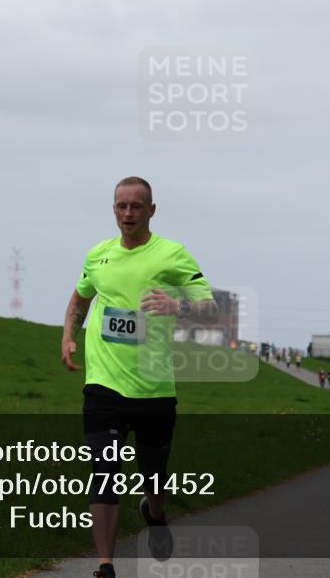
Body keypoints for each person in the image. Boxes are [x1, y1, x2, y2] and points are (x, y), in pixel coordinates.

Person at [61, 177, 219, 578]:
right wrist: (68, 335)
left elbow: (210, 310)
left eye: (136, 206)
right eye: (121, 206)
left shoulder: (172, 254)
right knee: (104, 474)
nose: (128, 213)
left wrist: (177, 305)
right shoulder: (99, 255)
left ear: (152, 210)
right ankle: (105, 565)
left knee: (153, 476)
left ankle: (155, 512)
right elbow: (81, 297)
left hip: (153, 387)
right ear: (113, 209)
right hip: (103, 384)